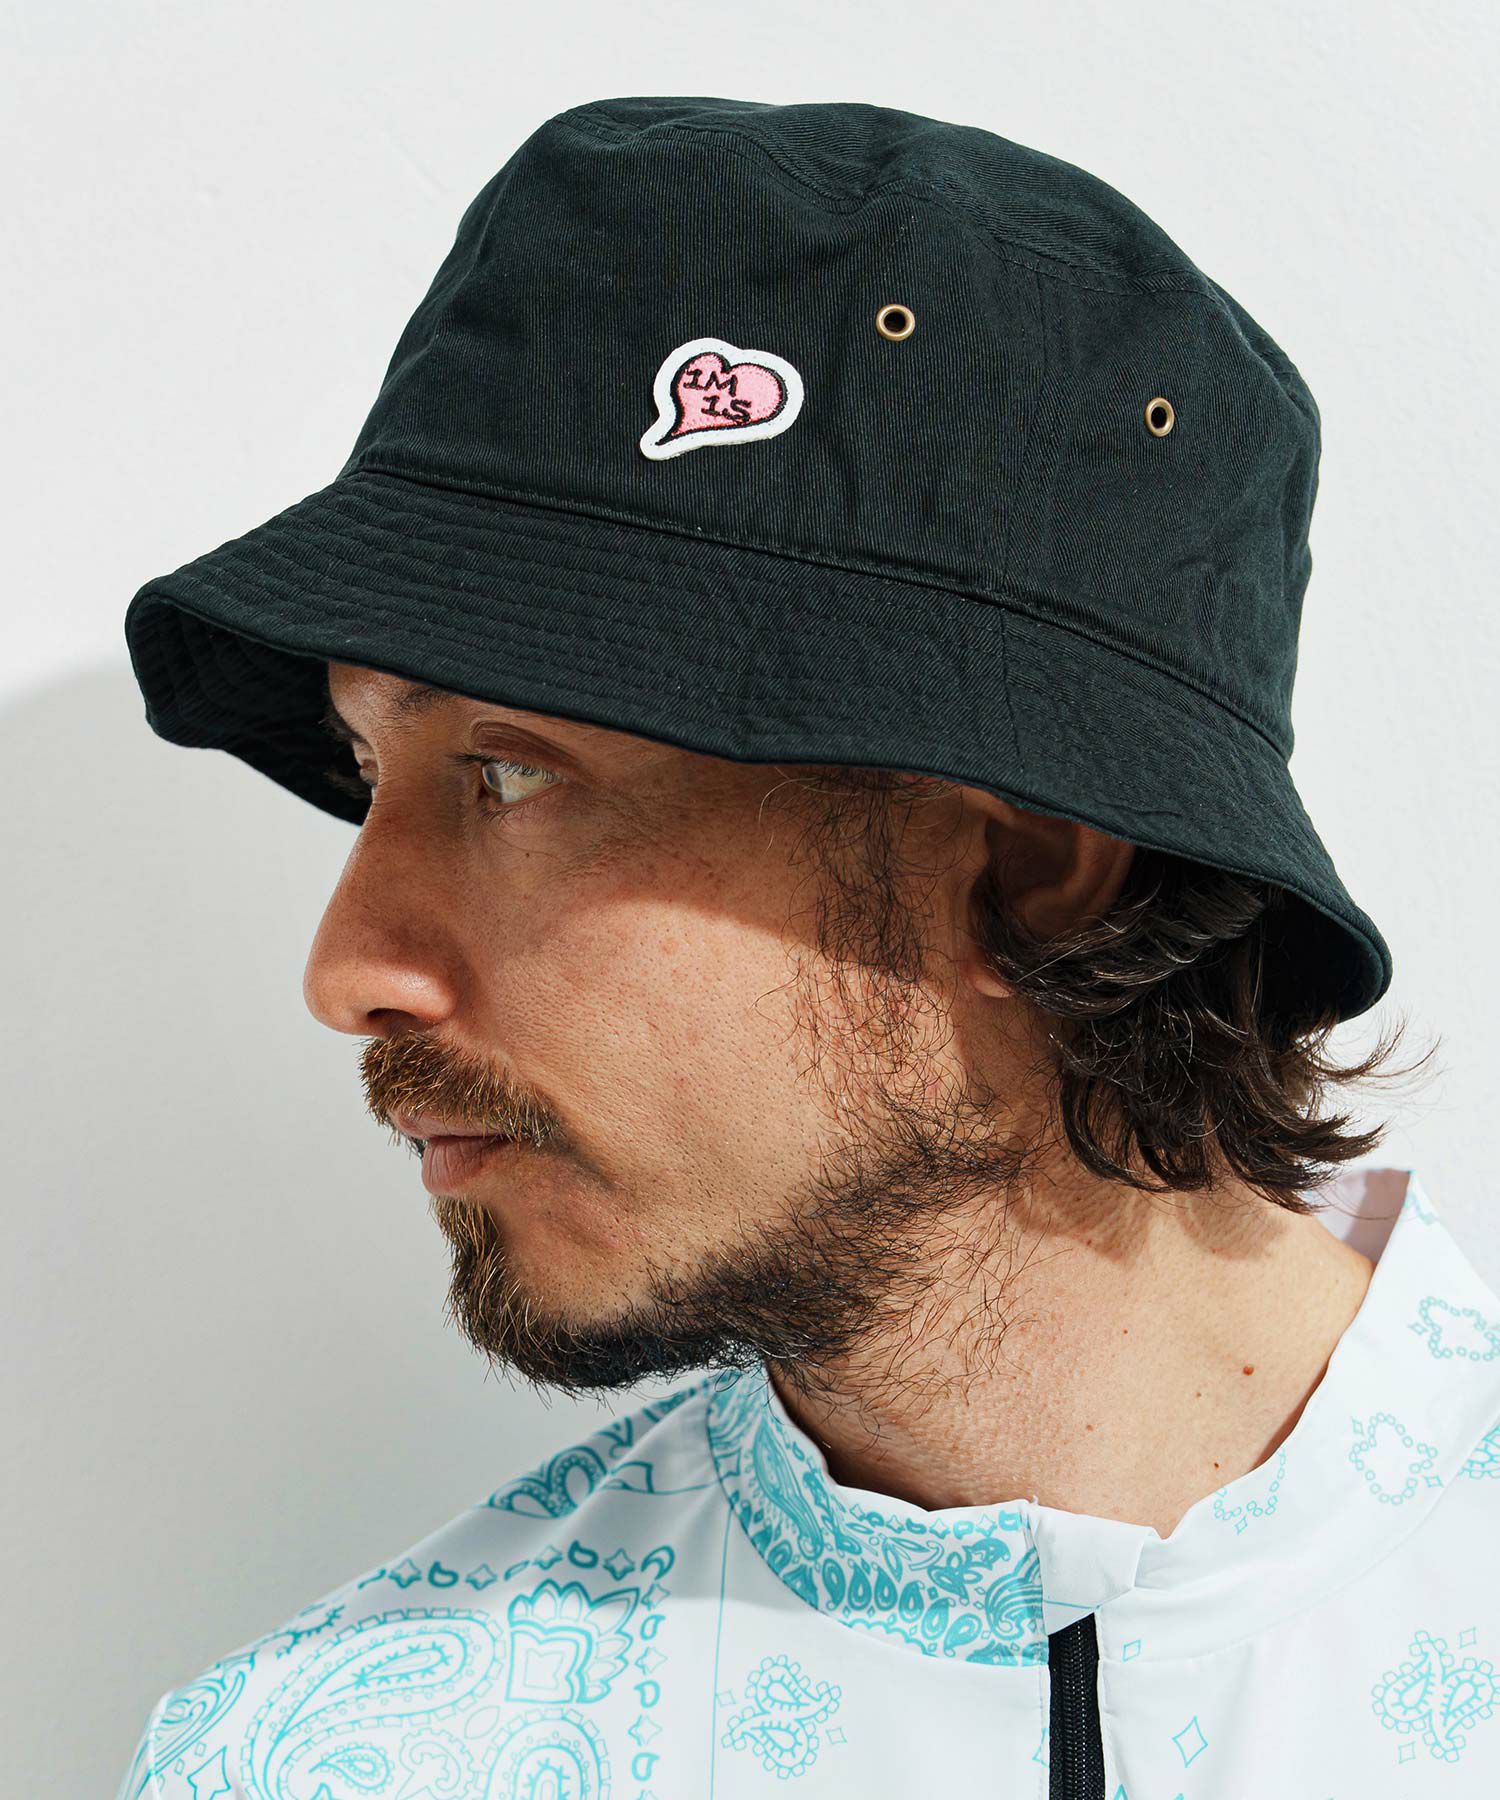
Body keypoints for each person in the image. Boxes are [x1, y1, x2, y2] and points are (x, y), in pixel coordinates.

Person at [113, 97, 1499, 1800]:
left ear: (1035, 865)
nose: (348, 968)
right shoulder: (346, 1762)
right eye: (363, 768)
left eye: (510, 772)